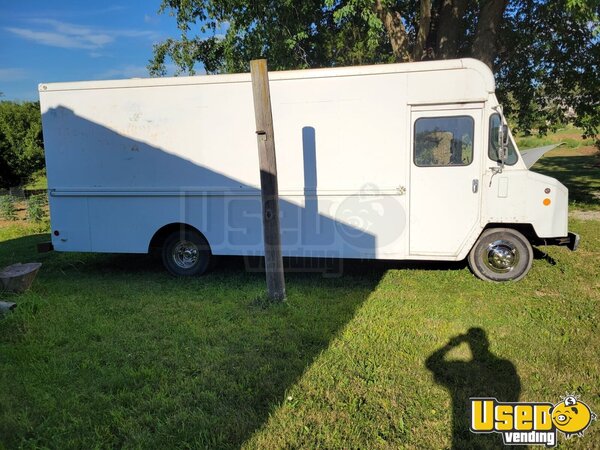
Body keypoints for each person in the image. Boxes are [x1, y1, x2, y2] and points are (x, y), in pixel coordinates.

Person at [425, 328, 521, 449]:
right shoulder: (506, 366)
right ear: (487, 343)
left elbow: (431, 363)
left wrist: (451, 345)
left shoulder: (464, 369)